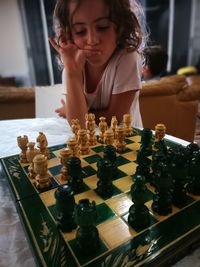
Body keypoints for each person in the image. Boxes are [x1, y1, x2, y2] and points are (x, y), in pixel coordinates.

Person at [49, 0, 145, 128]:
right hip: (90, 144)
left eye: (102, 27)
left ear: (121, 26)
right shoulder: (71, 68)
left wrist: (70, 112)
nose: (92, 40)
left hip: (127, 143)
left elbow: (113, 119)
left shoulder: (127, 58)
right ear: (69, 34)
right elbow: (79, 125)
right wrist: (72, 74)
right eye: (80, 31)